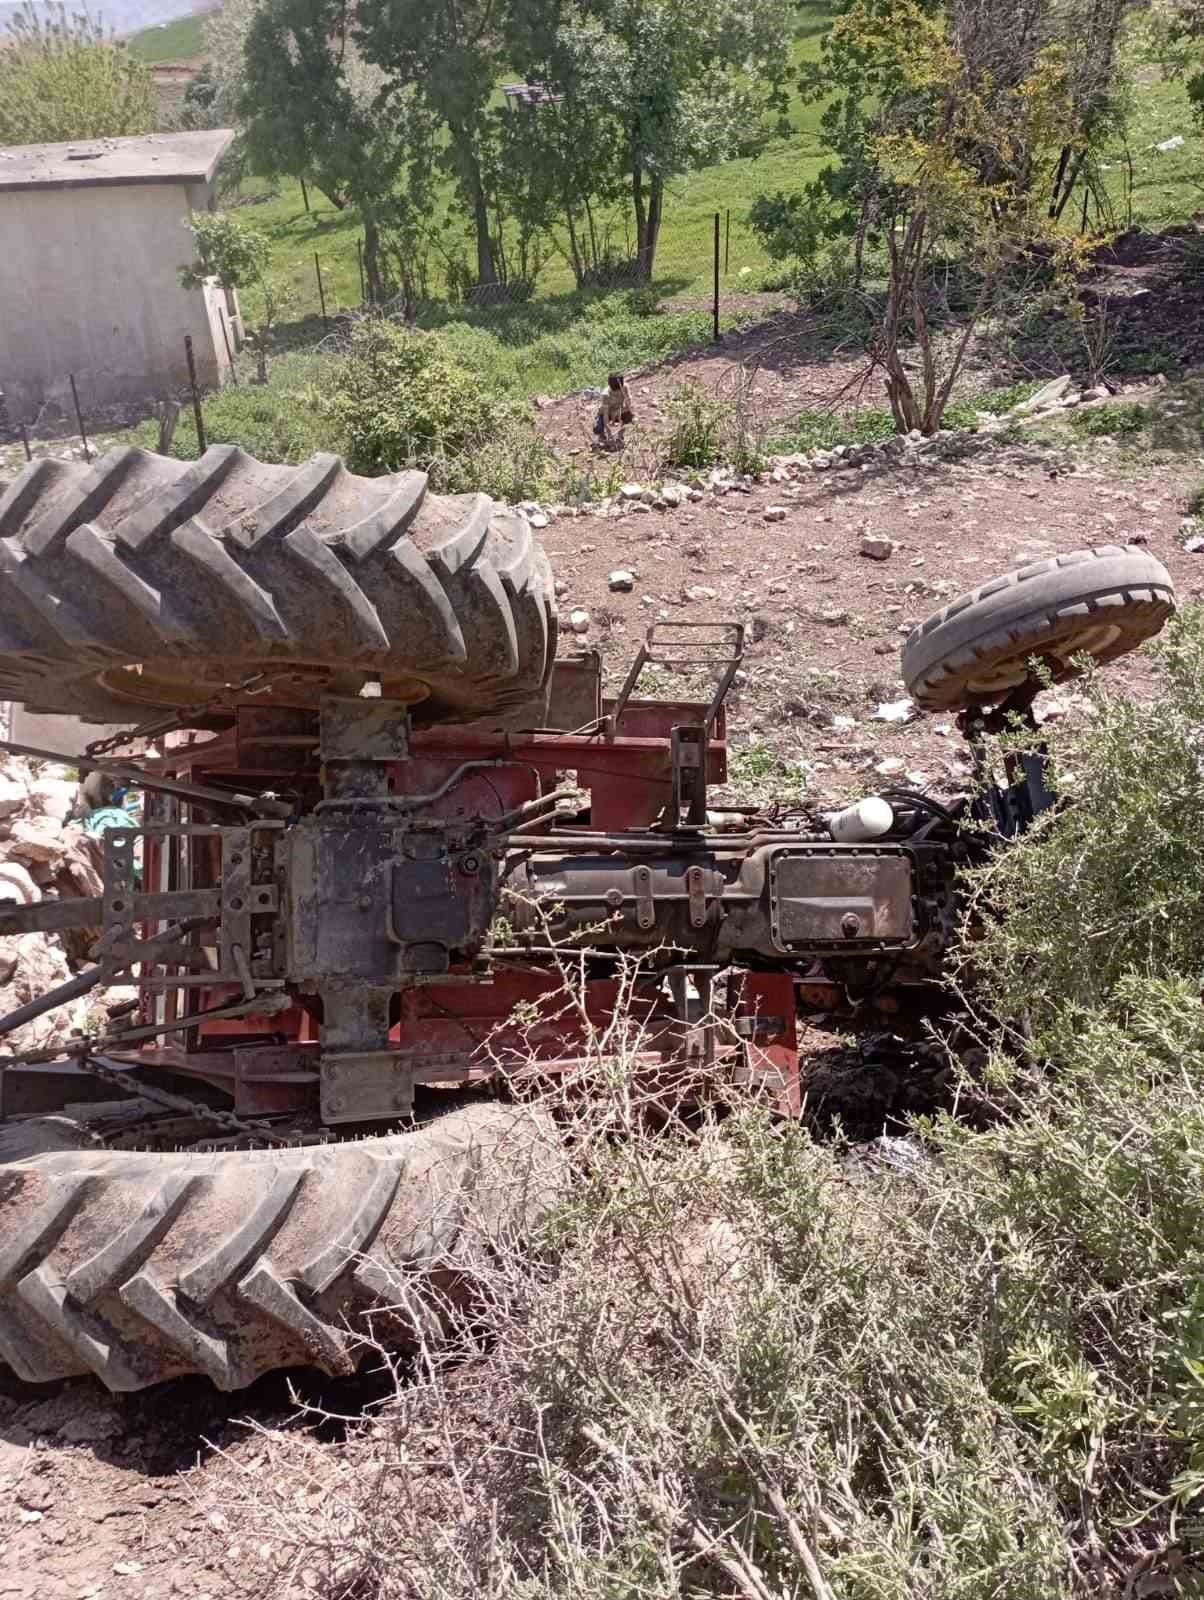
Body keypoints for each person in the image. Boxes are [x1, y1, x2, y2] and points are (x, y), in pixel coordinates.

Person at [593, 372, 635, 447]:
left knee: (629, 416)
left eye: (619, 391)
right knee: (597, 428)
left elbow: (629, 406)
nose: (617, 393)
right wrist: (609, 434)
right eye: (615, 392)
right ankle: (602, 436)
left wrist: (618, 411)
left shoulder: (624, 387)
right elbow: (605, 416)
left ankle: (620, 436)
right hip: (606, 413)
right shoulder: (605, 394)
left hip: (618, 411)